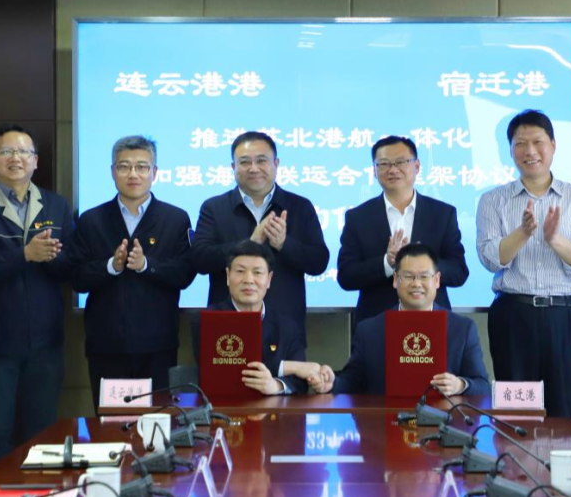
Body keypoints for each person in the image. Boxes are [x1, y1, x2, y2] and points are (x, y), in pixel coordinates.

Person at [0, 125, 74, 469]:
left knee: (42, 434)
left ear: (36, 160)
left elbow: (72, 268)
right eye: (6, 151)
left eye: (23, 151)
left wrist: (50, 257)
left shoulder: (57, 205)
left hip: (46, 344)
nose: (15, 158)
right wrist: (24, 254)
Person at [475, 110, 571, 419]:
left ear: (553, 145)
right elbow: (489, 258)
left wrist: (554, 239)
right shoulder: (493, 200)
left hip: (565, 316)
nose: (529, 151)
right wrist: (523, 233)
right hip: (513, 315)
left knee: (562, 411)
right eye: (520, 143)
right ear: (510, 150)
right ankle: (516, 454)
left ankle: (560, 454)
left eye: (537, 142)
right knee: (516, 413)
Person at [68, 136, 195, 409]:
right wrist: (110, 267)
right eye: (124, 166)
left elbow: (185, 273)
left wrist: (147, 265)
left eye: (142, 167)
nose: (133, 174)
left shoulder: (175, 218)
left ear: (154, 172)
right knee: (112, 423)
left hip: (157, 344)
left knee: (156, 420)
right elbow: (76, 277)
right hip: (106, 344)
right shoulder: (91, 220)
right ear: (112, 172)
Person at [191, 131, 329, 347]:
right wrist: (250, 243)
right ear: (233, 167)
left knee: (286, 371)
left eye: (261, 160)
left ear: (276, 163)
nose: (253, 168)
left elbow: (319, 262)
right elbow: (200, 259)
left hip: (285, 327)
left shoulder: (300, 206)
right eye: (245, 162)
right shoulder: (214, 208)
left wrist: (284, 244)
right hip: (227, 327)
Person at [312, 243, 490, 396]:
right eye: (408, 276)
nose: (416, 283)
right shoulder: (370, 330)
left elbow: (483, 386)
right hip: (383, 421)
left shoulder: (462, 329)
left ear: (437, 280)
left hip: (443, 421)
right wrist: (333, 383)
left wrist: (460, 385)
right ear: (396, 279)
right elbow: (353, 381)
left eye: (424, 276)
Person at [337, 135, 468, 327]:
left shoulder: (442, 214)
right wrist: (387, 263)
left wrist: (423, 263)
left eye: (400, 162)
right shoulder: (358, 217)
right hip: (376, 325)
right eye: (384, 164)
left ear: (417, 166)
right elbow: (346, 276)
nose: (392, 169)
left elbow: (459, 272)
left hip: (432, 323)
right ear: (374, 170)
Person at [192, 241, 320, 395]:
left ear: (269, 279)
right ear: (227, 276)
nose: (248, 280)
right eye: (240, 271)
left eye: (257, 272)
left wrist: (276, 385)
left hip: (274, 409)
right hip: (222, 406)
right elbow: (223, 370)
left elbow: (300, 382)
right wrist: (290, 367)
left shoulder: (287, 326)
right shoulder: (207, 320)